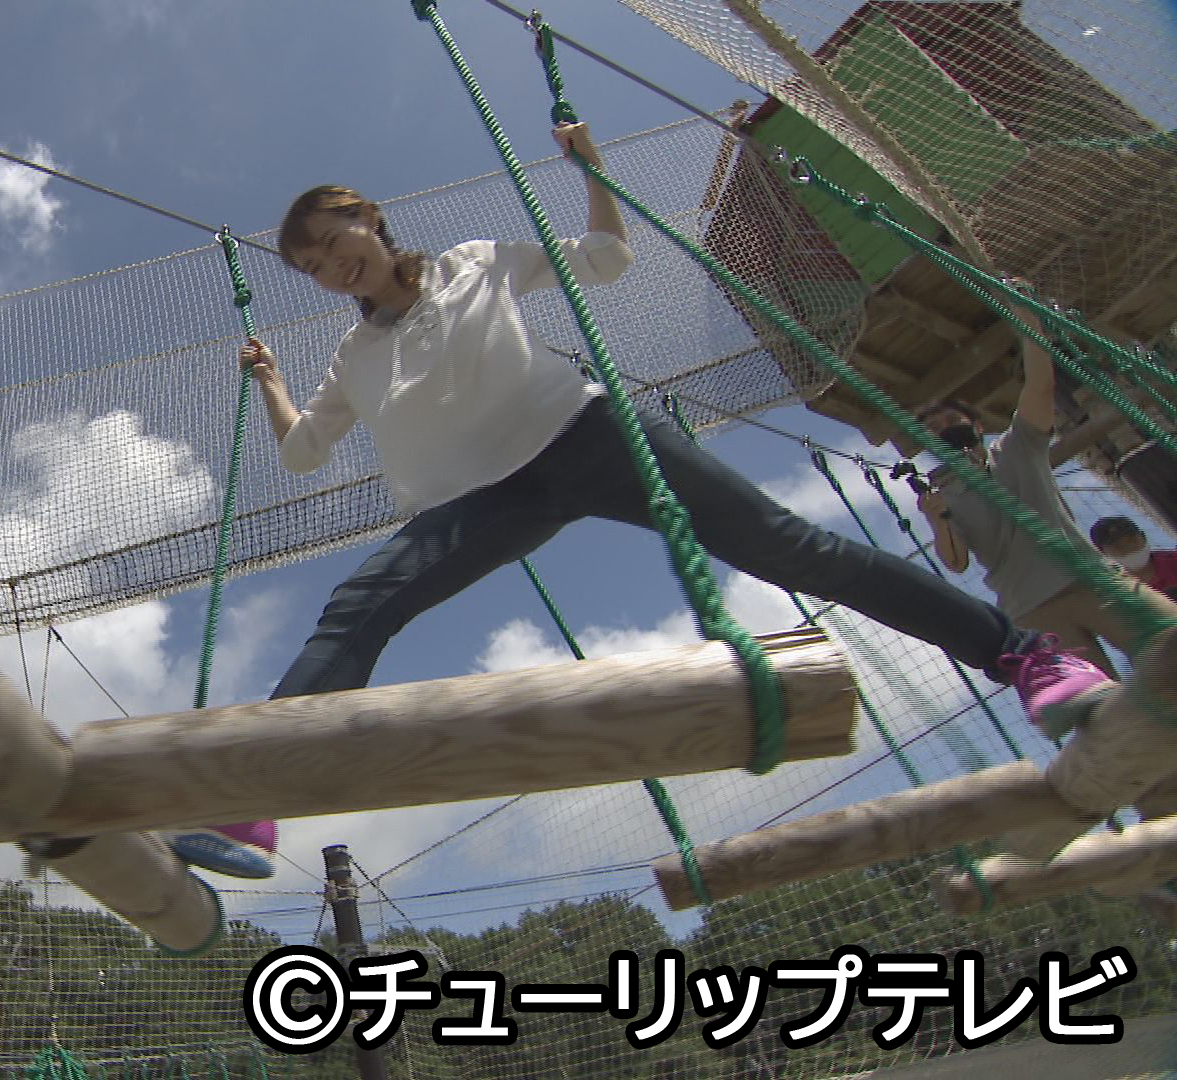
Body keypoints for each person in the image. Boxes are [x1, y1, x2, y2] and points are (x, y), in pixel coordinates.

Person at [166, 123, 1114, 879]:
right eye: (314, 268)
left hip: (589, 437)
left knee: (787, 546)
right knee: (361, 604)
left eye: (335, 244)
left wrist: (592, 172)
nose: (333, 268)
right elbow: (302, 452)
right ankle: (256, 792)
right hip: (482, 499)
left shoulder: (471, 262)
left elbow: (605, 259)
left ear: (370, 220)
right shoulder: (353, 356)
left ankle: (1023, 655)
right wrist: (272, 382)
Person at [914, 304, 1177, 681]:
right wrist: (936, 520)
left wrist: (1029, 324)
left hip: (1091, 578)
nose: (944, 428)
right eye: (933, 427)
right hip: (1034, 610)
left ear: (977, 425)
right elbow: (956, 563)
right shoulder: (941, 496)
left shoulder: (1016, 448)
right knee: (1096, 700)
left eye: (952, 420)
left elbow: (1040, 387)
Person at [1091, 516, 1177, 600]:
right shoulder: (1106, 590)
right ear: (1103, 552)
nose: (1129, 549)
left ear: (1143, 537)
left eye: (1131, 541)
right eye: (1118, 546)